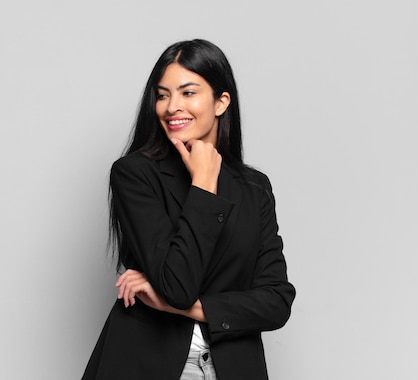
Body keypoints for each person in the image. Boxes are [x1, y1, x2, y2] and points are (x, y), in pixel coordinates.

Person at [82, 39, 295, 380]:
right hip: (146, 364)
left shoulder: (254, 188)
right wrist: (203, 185)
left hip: (234, 367)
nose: (171, 107)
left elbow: (276, 302)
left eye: (188, 92)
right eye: (163, 95)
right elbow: (177, 284)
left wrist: (177, 307)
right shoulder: (135, 174)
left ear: (221, 102)